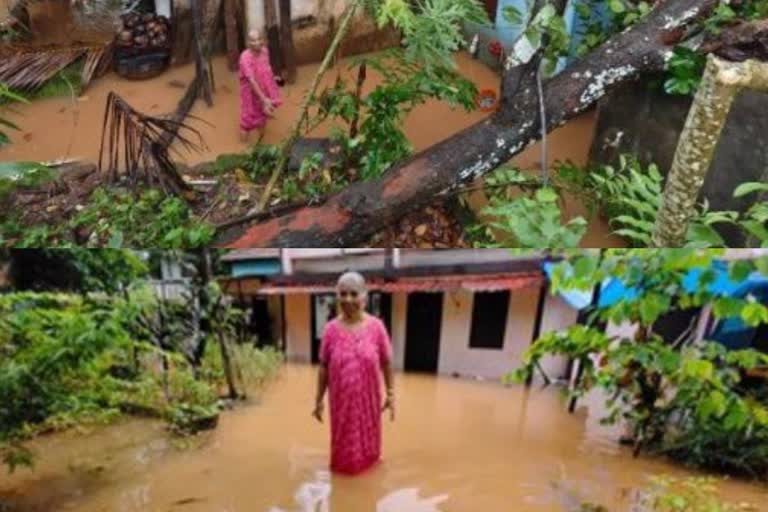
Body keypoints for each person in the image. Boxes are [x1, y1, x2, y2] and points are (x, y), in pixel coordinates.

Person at [312, 271, 395, 475]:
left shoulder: (377, 328)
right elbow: (323, 366)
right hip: (340, 403)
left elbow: (386, 361)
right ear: (337, 297)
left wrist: (391, 394)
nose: (348, 299)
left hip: (368, 401)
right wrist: (318, 399)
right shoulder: (330, 330)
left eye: (353, 293)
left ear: (364, 297)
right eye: (343, 294)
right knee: (342, 451)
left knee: (369, 454)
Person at [239, 29, 282, 143]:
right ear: (248, 42)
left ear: (262, 40)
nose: (257, 43)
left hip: (263, 89)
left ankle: (260, 143)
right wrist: (264, 99)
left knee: (262, 118)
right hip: (250, 94)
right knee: (246, 122)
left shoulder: (265, 52)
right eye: (253, 40)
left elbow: (267, 70)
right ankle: (242, 148)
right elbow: (251, 80)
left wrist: (273, 87)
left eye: (259, 39)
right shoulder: (245, 58)